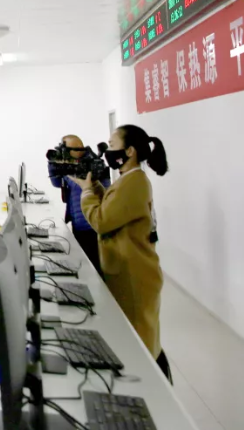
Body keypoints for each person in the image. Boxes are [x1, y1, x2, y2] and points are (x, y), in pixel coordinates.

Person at [70, 125, 172, 383]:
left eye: (112, 145)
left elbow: (102, 220)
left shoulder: (134, 182)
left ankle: (153, 389)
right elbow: (114, 207)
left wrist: (87, 192)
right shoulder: (129, 180)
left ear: (130, 151)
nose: (108, 150)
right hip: (130, 269)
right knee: (141, 338)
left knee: (141, 345)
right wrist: (95, 186)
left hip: (134, 274)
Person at [48, 135, 110, 277]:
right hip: (78, 223)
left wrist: (82, 177)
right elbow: (57, 183)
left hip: (92, 224)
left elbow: (106, 194)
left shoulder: (93, 164)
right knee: (85, 266)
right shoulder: (69, 165)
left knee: (96, 269)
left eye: (66, 149)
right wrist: (54, 165)